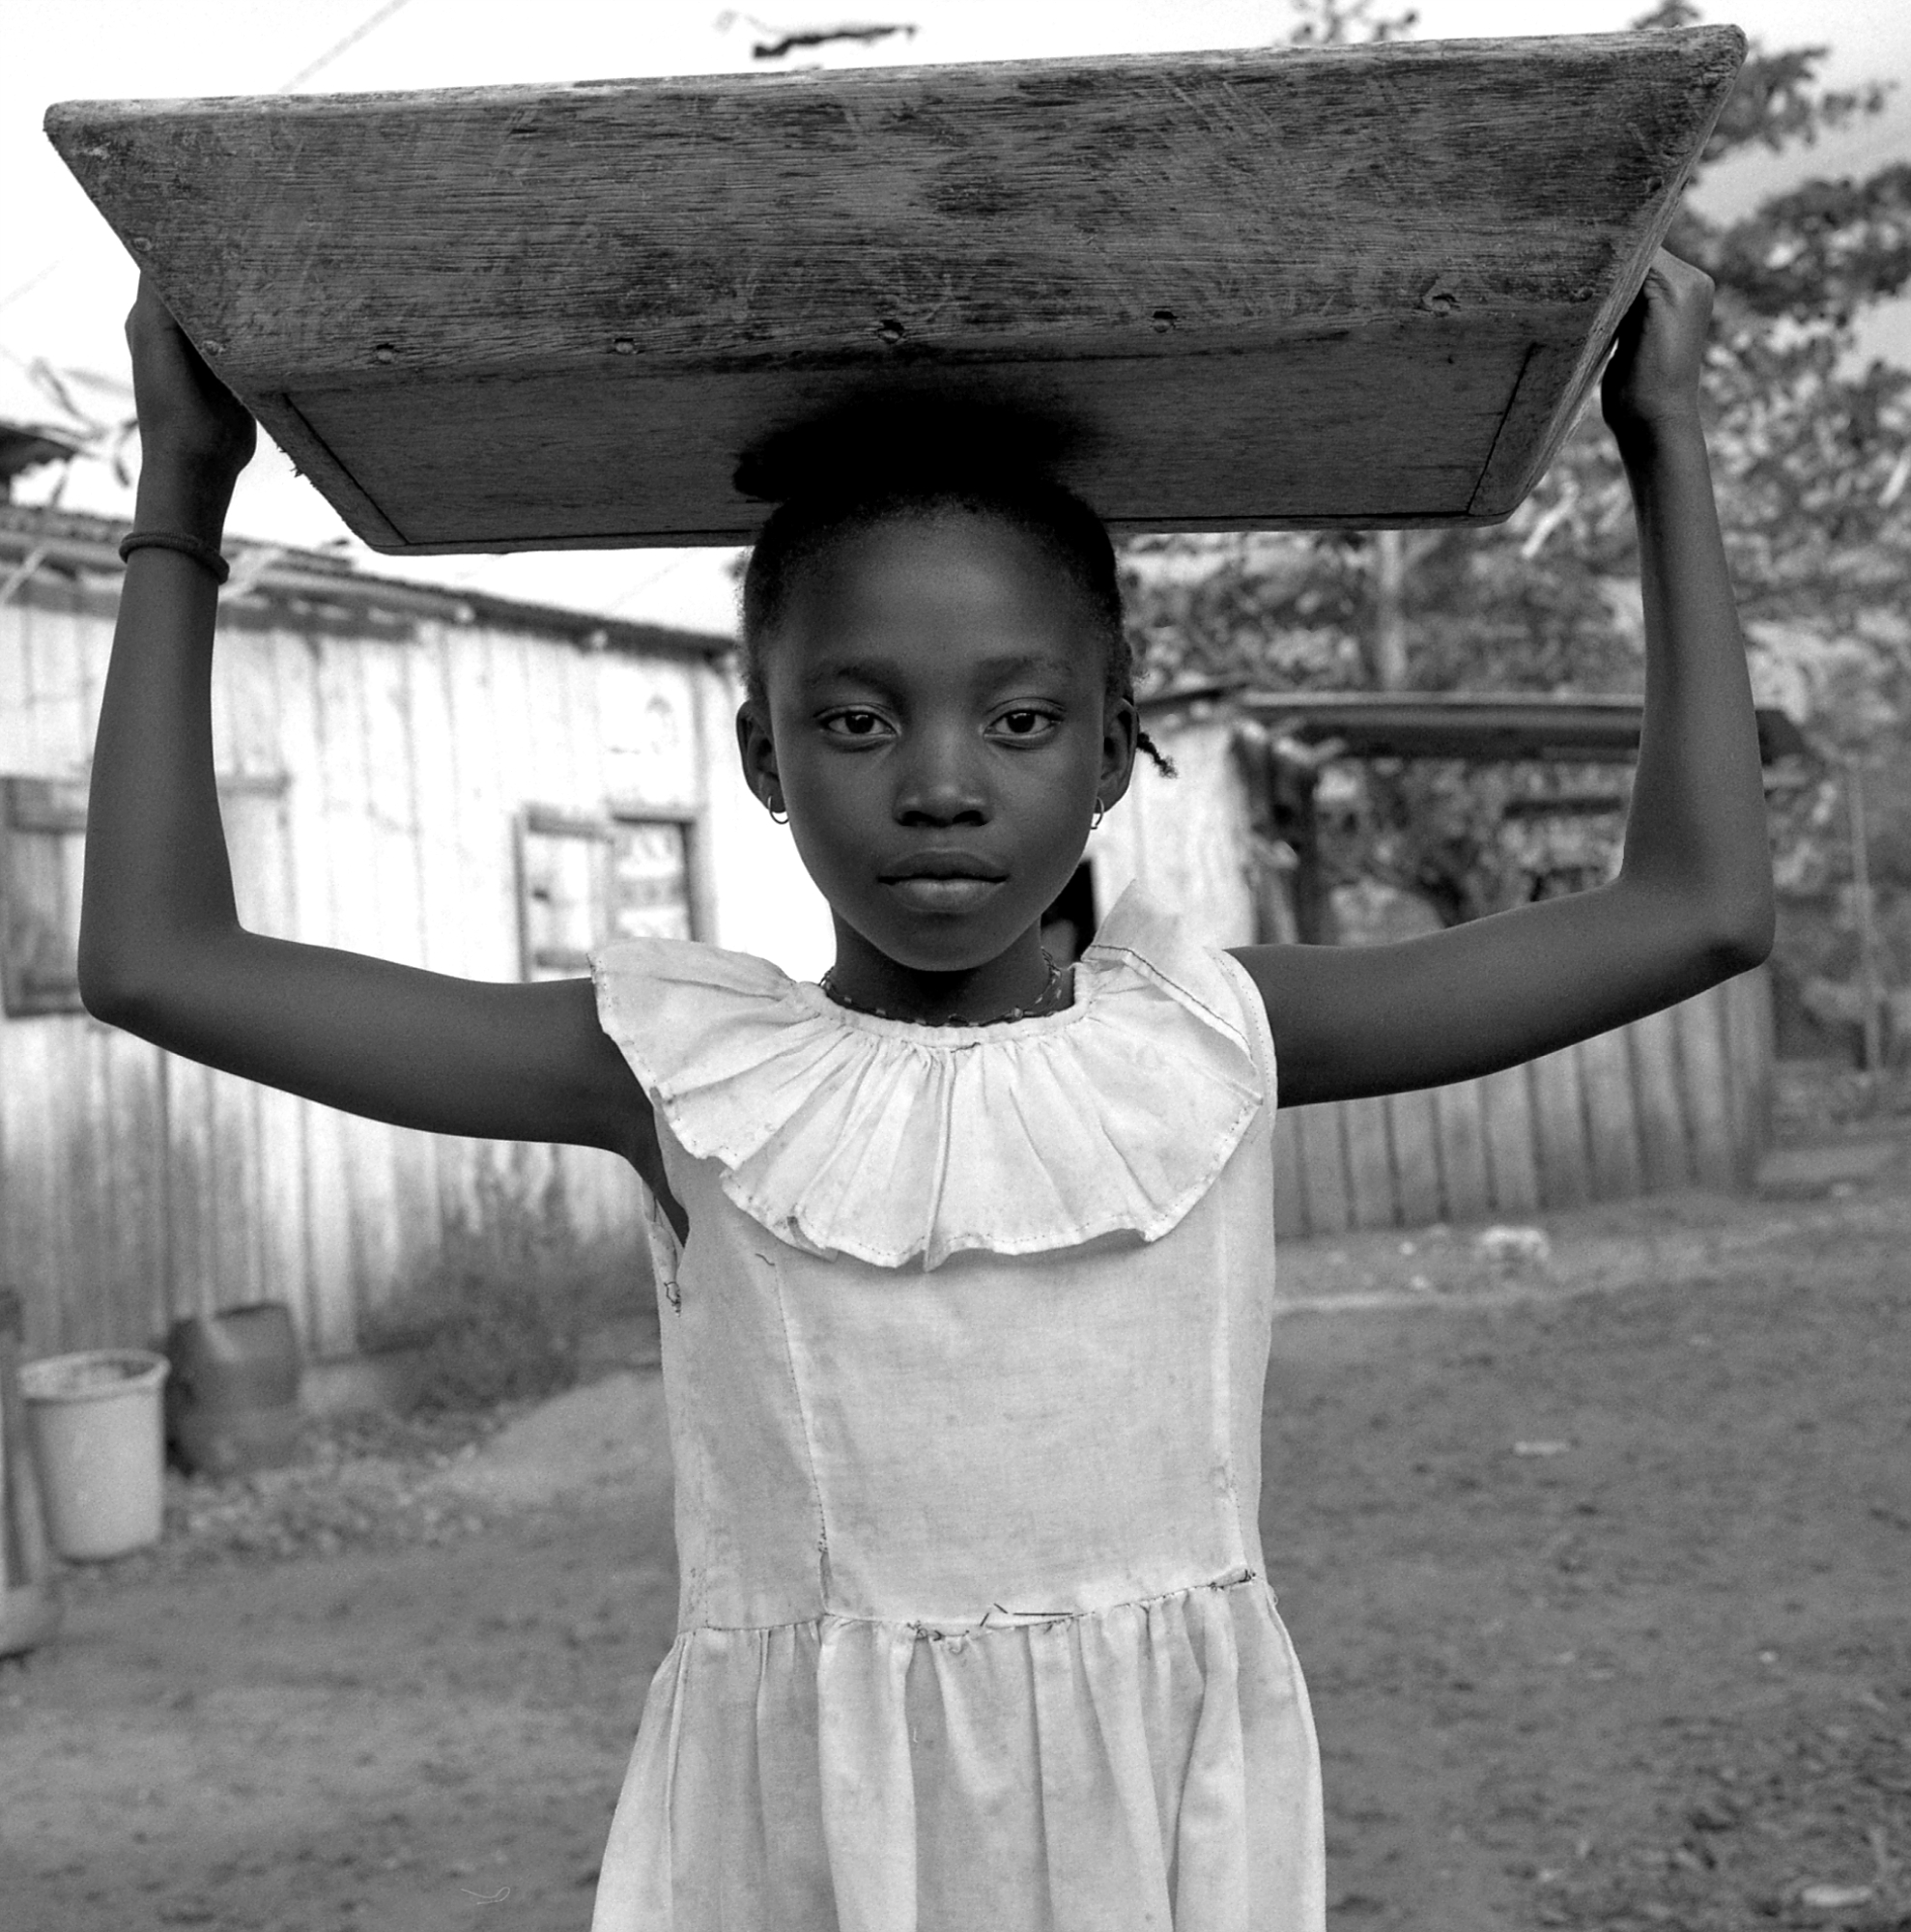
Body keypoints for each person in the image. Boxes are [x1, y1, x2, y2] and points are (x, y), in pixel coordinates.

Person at [81, 250, 1771, 1931]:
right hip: (807, 1860)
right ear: (762, 754)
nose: (945, 784)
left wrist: (1665, 438)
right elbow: (159, 960)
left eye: (1022, 719)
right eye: (858, 721)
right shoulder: (678, 1079)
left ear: (1112, 747)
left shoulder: (1214, 1042)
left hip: (1156, 1846)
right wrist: (182, 495)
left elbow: (1697, 910)